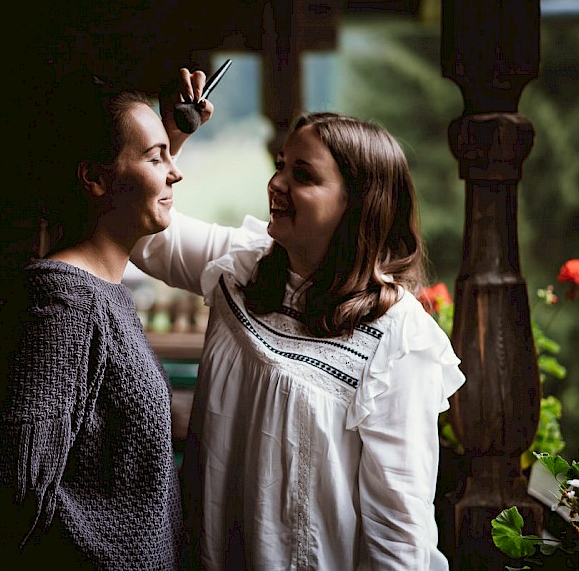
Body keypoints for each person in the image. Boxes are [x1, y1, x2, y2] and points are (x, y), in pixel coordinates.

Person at [131, 98, 467, 569]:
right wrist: (173, 137)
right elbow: (142, 232)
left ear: (358, 204)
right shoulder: (240, 266)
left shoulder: (397, 339)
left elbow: (399, 531)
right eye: (280, 165)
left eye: (303, 175)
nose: (276, 183)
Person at [0, 69, 214, 569]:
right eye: (156, 158)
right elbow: (25, 489)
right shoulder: (63, 302)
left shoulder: (104, 292)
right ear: (94, 178)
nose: (173, 172)